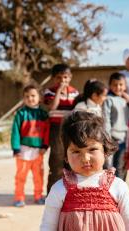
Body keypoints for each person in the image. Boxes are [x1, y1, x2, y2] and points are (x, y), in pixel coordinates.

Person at [40, 111, 129, 231]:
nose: (85, 158)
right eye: (76, 152)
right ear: (66, 156)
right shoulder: (59, 189)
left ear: (105, 151)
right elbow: (47, 227)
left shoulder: (118, 186)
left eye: (92, 149)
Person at [11, 84, 50, 207]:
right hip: (23, 151)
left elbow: (47, 132)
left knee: (38, 176)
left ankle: (38, 196)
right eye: (27, 96)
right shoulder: (20, 114)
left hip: (38, 151)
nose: (30, 98)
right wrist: (16, 148)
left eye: (33, 95)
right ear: (23, 98)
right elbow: (15, 131)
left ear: (39, 97)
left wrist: (45, 146)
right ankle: (19, 198)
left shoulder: (43, 114)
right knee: (21, 176)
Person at [44, 64, 79, 193]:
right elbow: (53, 107)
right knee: (57, 159)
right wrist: (59, 91)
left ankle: (68, 192)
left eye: (65, 77)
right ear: (53, 78)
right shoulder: (50, 91)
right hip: (56, 128)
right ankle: (52, 193)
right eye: (59, 78)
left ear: (70, 77)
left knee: (70, 160)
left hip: (69, 128)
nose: (62, 81)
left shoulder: (75, 92)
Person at [102, 72, 129, 179]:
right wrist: (107, 137)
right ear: (110, 86)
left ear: (125, 86)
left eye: (121, 84)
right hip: (111, 138)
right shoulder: (108, 100)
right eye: (115, 84)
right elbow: (106, 119)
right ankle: (108, 192)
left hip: (124, 139)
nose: (118, 87)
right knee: (109, 167)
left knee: (121, 166)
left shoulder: (126, 101)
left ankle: (119, 192)